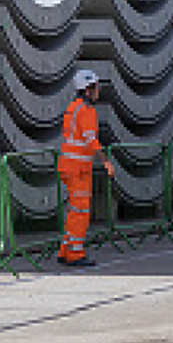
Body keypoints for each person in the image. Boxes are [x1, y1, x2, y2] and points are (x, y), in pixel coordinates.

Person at [58, 69, 113, 267]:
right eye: (96, 87)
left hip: (67, 166)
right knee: (80, 212)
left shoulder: (73, 107)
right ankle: (75, 254)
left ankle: (65, 250)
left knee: (73, 210)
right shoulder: (87, 111)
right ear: (87, 89)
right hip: (79, 169)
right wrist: (106, 161)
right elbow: (92, 141)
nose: (98, 91)